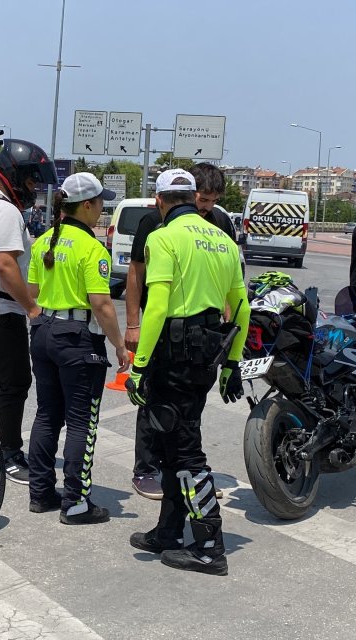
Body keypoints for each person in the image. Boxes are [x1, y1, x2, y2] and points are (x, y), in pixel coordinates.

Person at [125, 168, 250, 575]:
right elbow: (242, 307)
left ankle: (210, 546)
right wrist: (232, 364)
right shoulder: (223, 240)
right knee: (170, 446)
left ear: (160, 201)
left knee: (185, 452)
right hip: (205, 356)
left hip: (172, 356)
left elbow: (157, 306)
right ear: (193, 197)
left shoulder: (163, 237)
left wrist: (139, 366)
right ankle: (169, 531)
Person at [26, 173, 130, 524]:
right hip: (77, 338)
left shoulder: (44, 241)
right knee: (81, 420)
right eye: (100, 203)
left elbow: (32, 292)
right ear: (86, 205)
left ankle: (41, 493)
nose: (102, 209)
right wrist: (119, 345)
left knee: (47, 414)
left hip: (43, 331)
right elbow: (101, 304)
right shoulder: (92, 248)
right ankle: (75, 503)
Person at [0, 138, 57, 484]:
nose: (33, 188)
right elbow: (4, 264)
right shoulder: (4, 211)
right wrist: (31, 308)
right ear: (14, 175)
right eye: (31, 181)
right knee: (15, 383)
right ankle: (10, 454)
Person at [124, 190, 165, 500]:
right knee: (150, 395)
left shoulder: (217, 222)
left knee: (188, 404)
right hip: (156, 324)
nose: (205, 207)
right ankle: (146, 469)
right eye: (202, 200)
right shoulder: (151, 222)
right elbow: (136, 271)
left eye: (210, 201)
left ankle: (182, 467)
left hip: (195, 330)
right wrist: (133, 324)